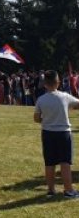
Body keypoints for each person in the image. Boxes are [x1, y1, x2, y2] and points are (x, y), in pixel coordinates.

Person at [34, 70, 79, 198]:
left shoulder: (41, 99)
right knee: (65, 163)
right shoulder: (65, 96)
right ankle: (68, 190)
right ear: (58, 82)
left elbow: (36, 118)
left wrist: (46, 120)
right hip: (63, 133)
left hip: (47, 133)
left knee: (49, 162)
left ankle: (51, 190)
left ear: (45, 84)